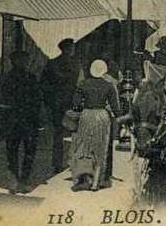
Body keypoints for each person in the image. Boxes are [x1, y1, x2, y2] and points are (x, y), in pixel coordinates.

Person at [69, 60, 121, 191]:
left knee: (84, 147)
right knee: (100, 147)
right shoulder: (108, 85)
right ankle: (96, 182)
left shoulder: (83, 84)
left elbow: (75, 103)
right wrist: (119, 117)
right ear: (104, 70)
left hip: (86, 115)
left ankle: (84, 178)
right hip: (102, 116)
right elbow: (115, 107)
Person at [0, 51, 43, 193]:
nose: (24, 62)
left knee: (22, 151)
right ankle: (18, 180)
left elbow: (37, 99)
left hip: (22, 120)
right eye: (21, 60)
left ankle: (20, 180)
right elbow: (1, 99)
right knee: (17, 151)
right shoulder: (10, 78)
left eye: (25, 59)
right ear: (14, 61)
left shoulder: (27, 77)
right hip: (18, 120)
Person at [40, 38, 81, 174]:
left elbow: (43, 85)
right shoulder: (76, 65)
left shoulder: (52, 64)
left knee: (58, 134)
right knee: (74, 133)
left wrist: (48, 102)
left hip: (55, 104)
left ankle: (57, 163)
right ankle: (72, 162)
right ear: (68, 49)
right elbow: (80, 85)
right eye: (72, 47)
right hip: (71, 103)